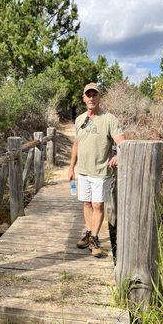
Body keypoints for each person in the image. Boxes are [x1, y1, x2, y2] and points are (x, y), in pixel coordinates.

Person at [68, 83, 125, 258]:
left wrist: (117, 155)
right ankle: (88, 232)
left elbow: (122, 142)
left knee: (98, 205)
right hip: (83, 171)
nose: (91, 98)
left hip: (101, 171)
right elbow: (76, 144)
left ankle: (94, 238)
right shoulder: (79, 119)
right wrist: (71, 167)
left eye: (94, 95)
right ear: (84, 98)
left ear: (99, 98)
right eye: (88, 95)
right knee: (86, 203)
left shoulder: (109, 119)